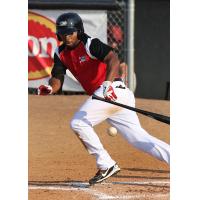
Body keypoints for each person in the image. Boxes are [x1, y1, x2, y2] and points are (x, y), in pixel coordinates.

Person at [37, 13, 170, 185]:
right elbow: (57, 77)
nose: (67, 36)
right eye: (63, 33)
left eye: (70, 32)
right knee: (138, 139)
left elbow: (112, 59)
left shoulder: (90, 44)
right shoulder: (60, 52)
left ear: (78, 31)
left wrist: (107, 84)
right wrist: (50, 88)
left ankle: (106, 165)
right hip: (107, 97)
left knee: (78, 123)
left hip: (112, 90)